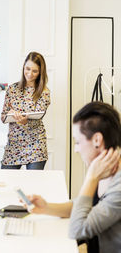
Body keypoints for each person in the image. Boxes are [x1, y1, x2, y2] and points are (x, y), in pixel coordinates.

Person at [25, 102, 121, 253]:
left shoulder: (115, 183)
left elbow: (77, 230)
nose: (76, 149)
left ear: (97, 140)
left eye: (77, 141)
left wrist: (91, 178)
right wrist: (46, 207)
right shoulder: (104, 168)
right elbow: (83, 208)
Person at [1, 52, 50, 170]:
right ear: (23, 67)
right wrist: (10, 114)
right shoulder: (12, 89)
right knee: (7, 180)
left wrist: (24, 122)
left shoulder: (44, 92)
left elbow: (38, 117)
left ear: (40, 73)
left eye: (35, 71)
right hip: (14, 144)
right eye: (27, 69)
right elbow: (3, 117)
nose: (30, 74)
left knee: (33, 185)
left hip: (36, 145)